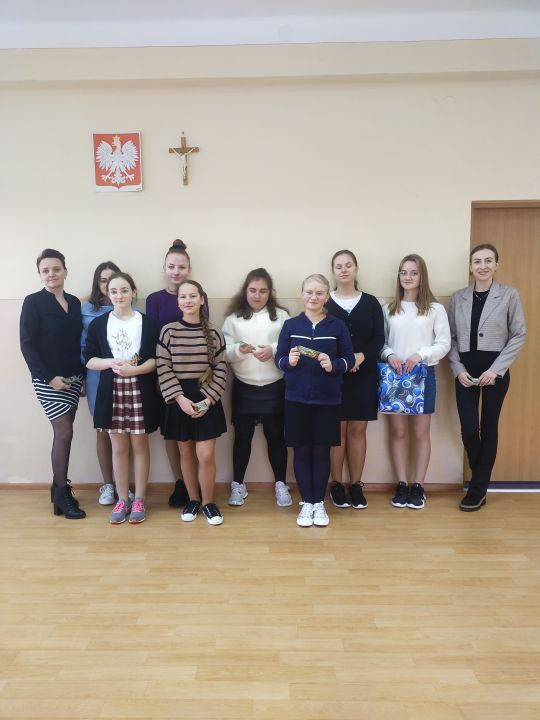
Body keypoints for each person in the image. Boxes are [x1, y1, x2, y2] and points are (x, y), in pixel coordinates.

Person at [448, 243, 526, 512]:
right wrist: (458, 369)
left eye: (488, 260)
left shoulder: (509, 294)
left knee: (489, 426)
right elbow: (451, 338)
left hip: (495, 371)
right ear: (470, 267)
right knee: (469, 428)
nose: (482, 266)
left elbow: (519, 334)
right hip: (465, 371)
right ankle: (480, 469)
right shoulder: (458, 298)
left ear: (496, 265)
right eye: (477, 261)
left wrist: (496, 369)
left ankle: (478, 489)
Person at [275, 274, 355, 528]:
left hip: (328, 400)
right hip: (295, 399)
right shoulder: (290, 325)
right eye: (309, 292)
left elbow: (350, 359)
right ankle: (306, 503)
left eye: (319, 293)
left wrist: (334, 365)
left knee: (321, 451)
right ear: (302, 294)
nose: (313, 297)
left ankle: (318, 502)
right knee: (301, 451)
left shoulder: (337, 326)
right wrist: (288, 362)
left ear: (327, 297)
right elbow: (278, 359)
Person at [85, 273, 160, 524]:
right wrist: (111, 363)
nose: (119, 295)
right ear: (108, 294)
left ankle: (139, 498)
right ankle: (122, 498)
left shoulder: (148, 323)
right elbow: (89, 359)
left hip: (140, 390)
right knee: (118, 447)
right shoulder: (98, 324)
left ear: (134, 292)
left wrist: (134, 370)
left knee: (140, 446)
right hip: (111, 391)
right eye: (114, 291)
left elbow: (155, 360)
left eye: (124, 290)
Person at [20, 248, 86, 519]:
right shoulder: (33, 302)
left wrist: (82, 377)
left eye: (56, 269)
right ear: (39, 274)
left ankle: (58, 489)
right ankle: (61, 492)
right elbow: (27, 344)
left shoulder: (75, 303)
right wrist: (48, 377)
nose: (51, 274)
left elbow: (78, 342)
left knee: (66, 432)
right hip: (48, 380)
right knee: (64, 432)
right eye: (45, 270)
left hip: (73, 379)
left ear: (65, 271)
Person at [381, 254, 450, 510]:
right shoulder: (389, 309)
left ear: (422, 276)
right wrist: (390, 355)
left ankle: (418, 485)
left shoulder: (435, 309)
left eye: (413, 272)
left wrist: (420, 355)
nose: (407, 277)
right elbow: (381, 342)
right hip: (394, 376)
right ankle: (401, 483)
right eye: (403, 272)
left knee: (421, 433)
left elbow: (444, 343)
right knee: (398, 432)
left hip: (423, 375)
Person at [156, 280, 228, 526]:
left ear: (201, 299)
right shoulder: (168, 331)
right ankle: (193, 499)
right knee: (185, 452)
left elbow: (221, 369)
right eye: (183, 296)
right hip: (179, 398)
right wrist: (179, 398)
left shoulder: (214, 332)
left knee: (205, 455)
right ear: (178, 302)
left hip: (206, 397)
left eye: (192, 296)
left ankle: (208, 502)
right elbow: (163, 367)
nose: (188, 300)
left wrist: (207, 401)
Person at [146, 239, 209, 509]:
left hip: (196, 380)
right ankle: (181, 482)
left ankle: (199, 486)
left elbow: (206, 336)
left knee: (196, 434)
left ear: (189, 269)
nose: (176, 271)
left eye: (181, 267)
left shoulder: (199, 295)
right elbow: (152, 339)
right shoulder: (154, 299)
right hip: (165, 376)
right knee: (174, 434)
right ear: (164, 268)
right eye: (171, 266)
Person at [222, 268, 291, 507]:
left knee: (276, 436)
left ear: (270, 292)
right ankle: (238, 485)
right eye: (252, 290)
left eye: (263, 291)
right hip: (244, 386)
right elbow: (224, 352)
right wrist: (239, 351)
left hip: (275, 385)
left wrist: (273, 349)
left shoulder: (281, 317)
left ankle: (281, 484)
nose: (257, 295)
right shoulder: (233, 319)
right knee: (242, 437)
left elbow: (291, 343)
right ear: (245, 291)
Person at [326, 250, 385, 510]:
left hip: (364, 374)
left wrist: (360, 357)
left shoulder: (371, 302)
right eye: (338, 266)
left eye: (348, 265)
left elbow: (379, 338)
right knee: (336, 432)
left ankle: (356, 485)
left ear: (356, 268)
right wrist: (342, 362)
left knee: (358, 431)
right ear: (333, 271)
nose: (343, 270)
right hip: (334, 376)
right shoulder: (325, 302)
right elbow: (320, 338)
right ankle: (337, 484)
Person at [80, 261, 128, 507]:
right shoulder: (87, 310)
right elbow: (83, 347)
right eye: (102, 280)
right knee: (103, 429)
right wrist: (83, 376)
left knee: (126, 431)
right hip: (97, 375)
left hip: (125, 375)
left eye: (112, 279)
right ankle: (108, 484)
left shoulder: (130, 309)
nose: (107, 284)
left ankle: (125, 486)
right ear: (97, 283)